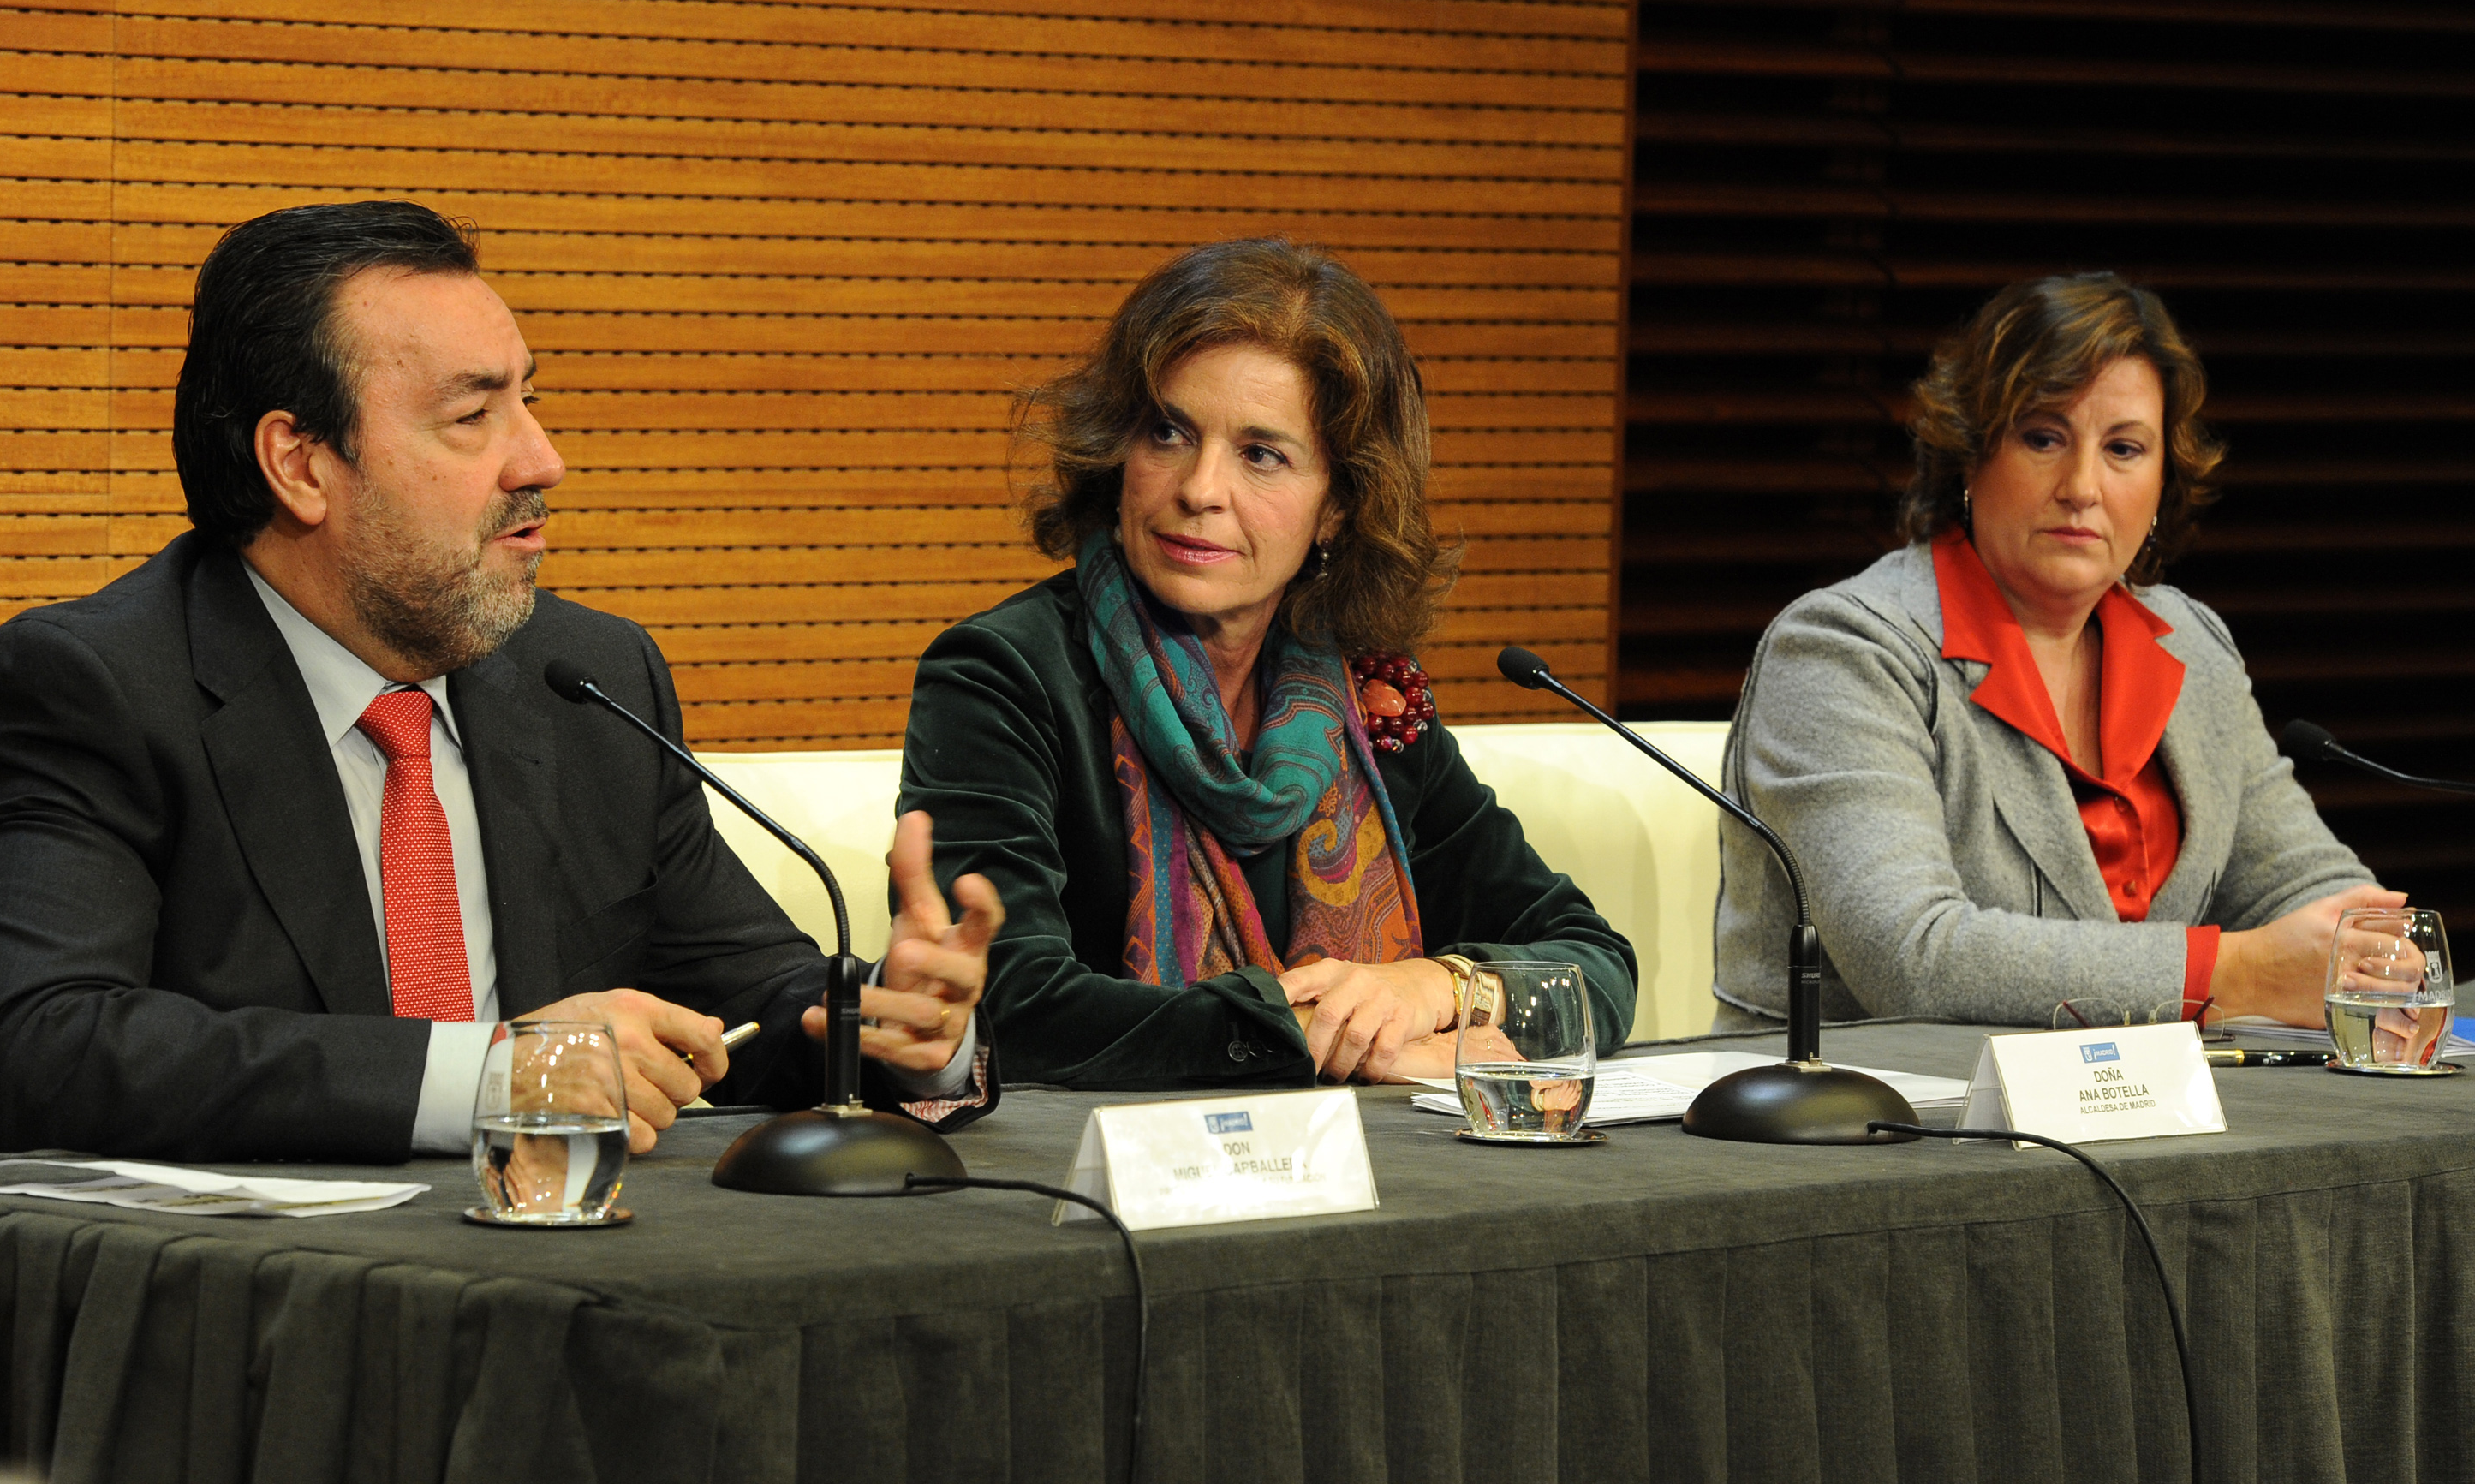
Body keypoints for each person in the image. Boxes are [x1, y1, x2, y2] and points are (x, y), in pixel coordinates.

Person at [0, 201, 1003, 1163]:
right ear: (300, 464)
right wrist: (495, 1075)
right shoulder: (99, 684)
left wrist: (892, 1030)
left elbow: (754, 1004)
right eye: (472, 415)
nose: (541, 460)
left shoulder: (587, 678)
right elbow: (33, 1047)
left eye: (529, 402)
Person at [898, 237, 1637, 1088]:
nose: (1200, 488)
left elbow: (1596, 966)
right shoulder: (1005, 674)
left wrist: (1433, 986)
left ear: (1338, 508)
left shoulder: (1365, 703)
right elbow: (1007, 1007)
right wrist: (1319, 1037)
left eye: (1261, 454)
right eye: (1168, 432)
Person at [1712, 272, 2400, 1032]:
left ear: (2164, 480)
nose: (2083, 486)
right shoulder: (1845, 652)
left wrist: (2369, 951)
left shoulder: (2192, 647)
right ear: (1970, 456)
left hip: (2147, 1116)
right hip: (1873, 1123)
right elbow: (1913, 956)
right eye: (2044, 438)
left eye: (2125, 449)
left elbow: (2298, 882)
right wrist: (2230, 974)